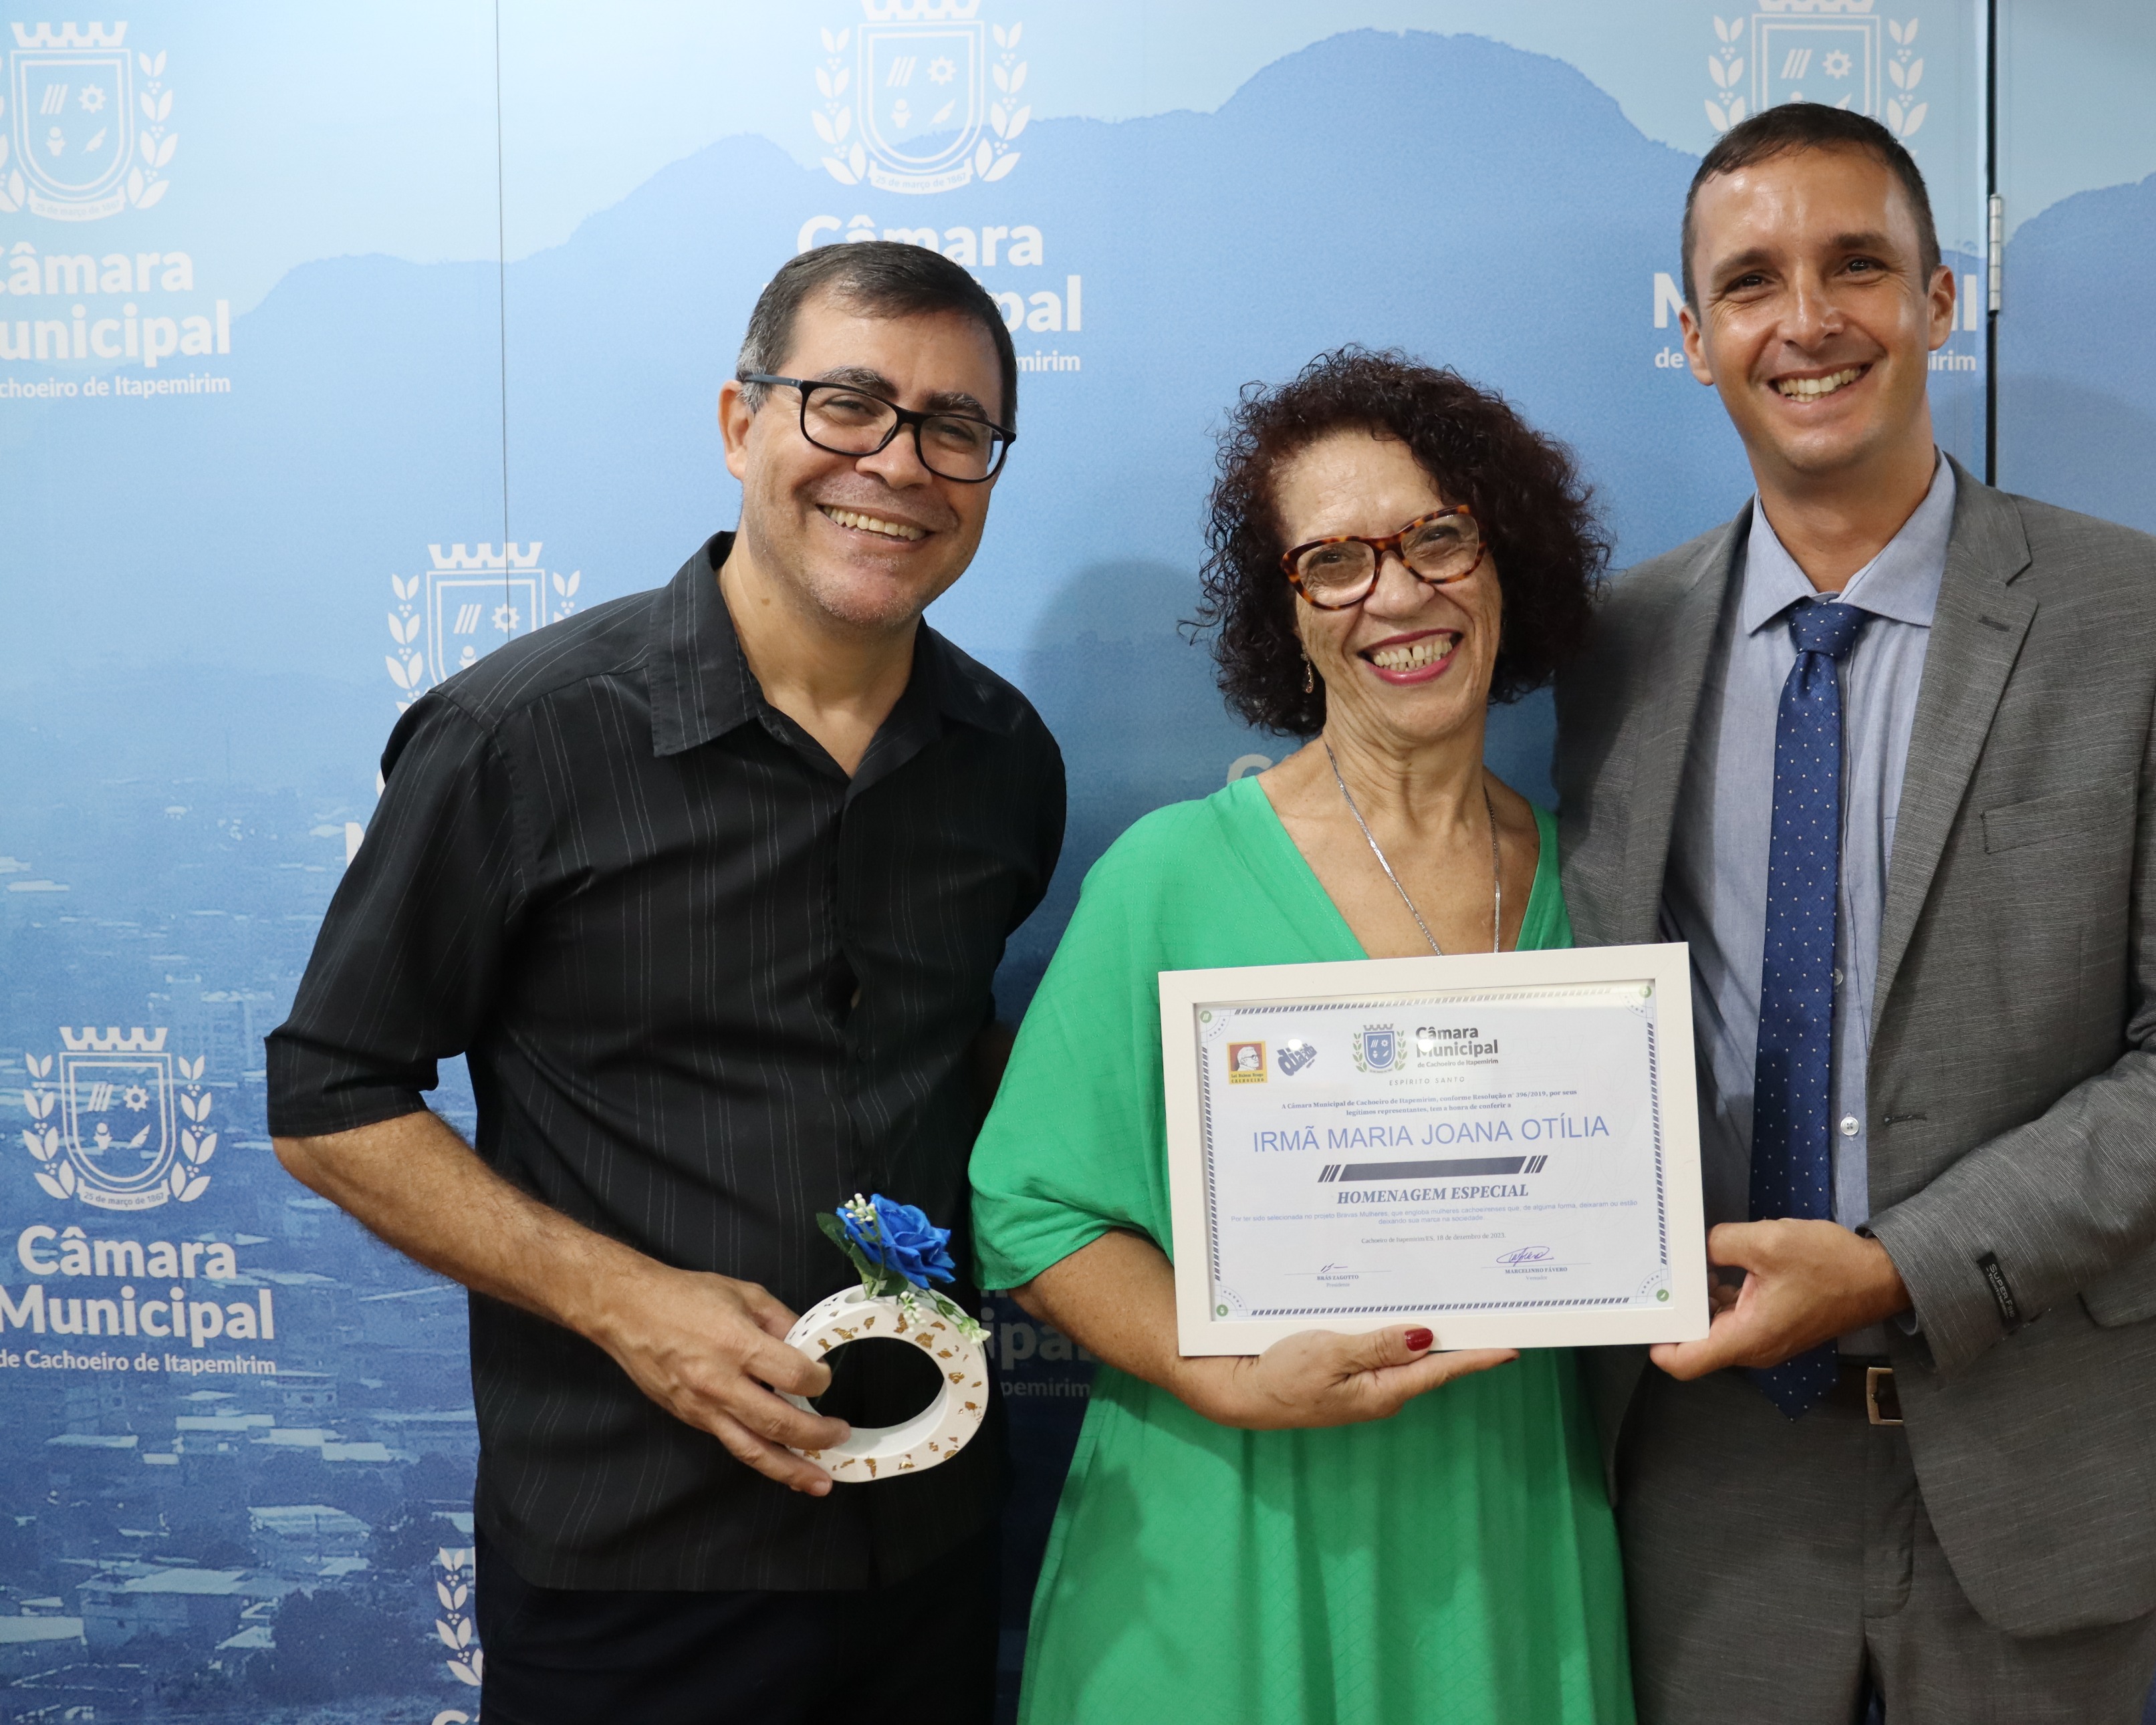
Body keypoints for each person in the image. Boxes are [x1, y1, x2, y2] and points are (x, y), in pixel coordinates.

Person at [1554, 104, 2156, 1724]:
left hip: (2051, 1445)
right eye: (1749, 282)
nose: (1807, 319)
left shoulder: (2146, 615)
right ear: (1690, 338)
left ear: (1940, 300)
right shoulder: (1613, 645)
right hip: (1706, 1465)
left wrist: (1898, 1265)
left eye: (1856, 266)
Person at [265, 241, 1065, 1725]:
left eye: (954, 427)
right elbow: (327, 1098)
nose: (898, 462)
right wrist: (625, 1300)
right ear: (740, 422)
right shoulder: (520, 736)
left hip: (930, 1535)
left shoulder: (1006, 756)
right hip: (633, 1560)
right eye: (846, 404)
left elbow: (956, 1055)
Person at [969, 350, 1629, 1724]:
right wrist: (1222, 1373)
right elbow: (1029, 1212)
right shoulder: (1169, 878)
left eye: (1437, 536)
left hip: (1502, 1538)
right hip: (1223, 1538)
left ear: (1505, 557)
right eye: (1333, 562)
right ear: (1289, 614)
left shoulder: (1602, 886)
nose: (1397, 593)